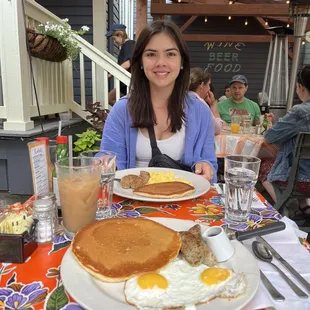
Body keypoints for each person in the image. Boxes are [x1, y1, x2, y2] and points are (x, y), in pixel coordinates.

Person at [101, 20, 217, 182]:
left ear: (182, 61)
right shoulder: (122, 110)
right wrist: (103, 162)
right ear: (140, 62)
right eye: (151, 54)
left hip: (184, 199)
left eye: (170, 54)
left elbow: (209, 162)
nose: (160, 62)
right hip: (134, 202)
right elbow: (109, 158)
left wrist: (206, 166)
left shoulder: (200, 110)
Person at [259, 65, 310, 218]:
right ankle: (304, 206)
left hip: (302, 180)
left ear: (300, 87)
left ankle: (282, 207)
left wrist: (278, 124)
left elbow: (270, 137)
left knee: (263, 163)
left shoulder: (300, 112)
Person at [105, 24, 135, 106]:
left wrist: (111, 74)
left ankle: (123, 114)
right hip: (123, 84)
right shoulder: (126, 46)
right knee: (108, 98)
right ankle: (120, 113)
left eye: (114, 38)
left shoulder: (129, 44)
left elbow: (128, 63)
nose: (114, 41)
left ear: (120, 34)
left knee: (130, 105)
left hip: (129, 83)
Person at [188, 67, 223, 135]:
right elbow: (217, 128)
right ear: (201, 85)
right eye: (208, 84)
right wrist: (213, 105)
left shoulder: (179, 99)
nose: (209, 88)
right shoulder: (201, 105)